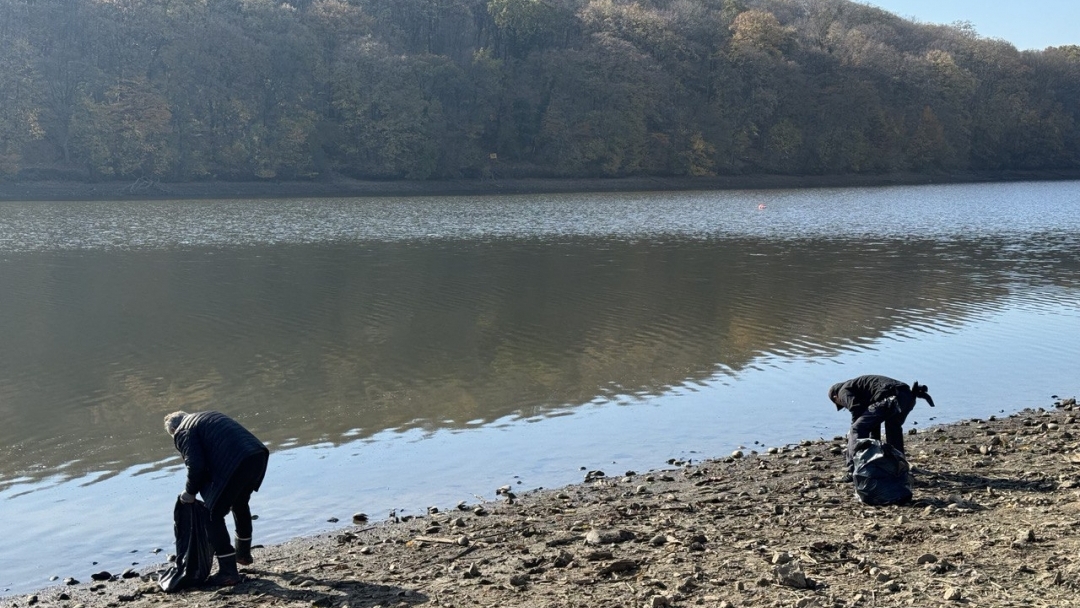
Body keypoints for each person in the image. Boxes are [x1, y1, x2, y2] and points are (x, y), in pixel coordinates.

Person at [164, 411, 269, 586]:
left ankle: (228, 572)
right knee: (240, 503)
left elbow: (196, 465)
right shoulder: (205, 418)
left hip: (237, 462)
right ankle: (242, 554)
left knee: (213, 515)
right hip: (257, 455)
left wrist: (189, 493)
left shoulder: (182, 431)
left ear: (174, 430)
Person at [827, 375, 935, 475]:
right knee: (893, 429)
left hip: (889, 397)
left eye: (839, 404)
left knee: (856, 428)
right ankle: (898, 465)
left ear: (835, 397)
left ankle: (853, 469)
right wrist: (874, 442)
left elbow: (856, 410)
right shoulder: (860, 386)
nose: (843, 406)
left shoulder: (843, 391)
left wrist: (854, 431)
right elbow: (874, 419)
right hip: (907, 396)